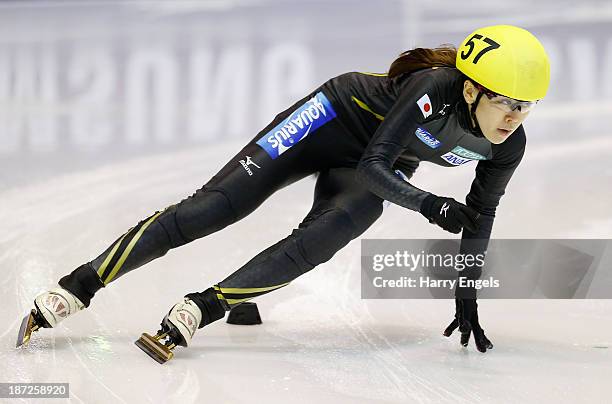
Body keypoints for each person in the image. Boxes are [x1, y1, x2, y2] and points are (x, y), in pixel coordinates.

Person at [17, 25, 550, 363]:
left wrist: (466, 296)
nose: (515, 117)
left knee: (324, 238)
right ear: (472, 88)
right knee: (213, 209)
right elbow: (376, 162)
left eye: (527, 106)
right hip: (327, 121)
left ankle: (205, 307)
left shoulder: (509, 144)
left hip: (369, 165)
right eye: (508, 103)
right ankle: (79, 286)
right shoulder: (432, 86)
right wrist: (430, 204)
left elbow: (482, 215)